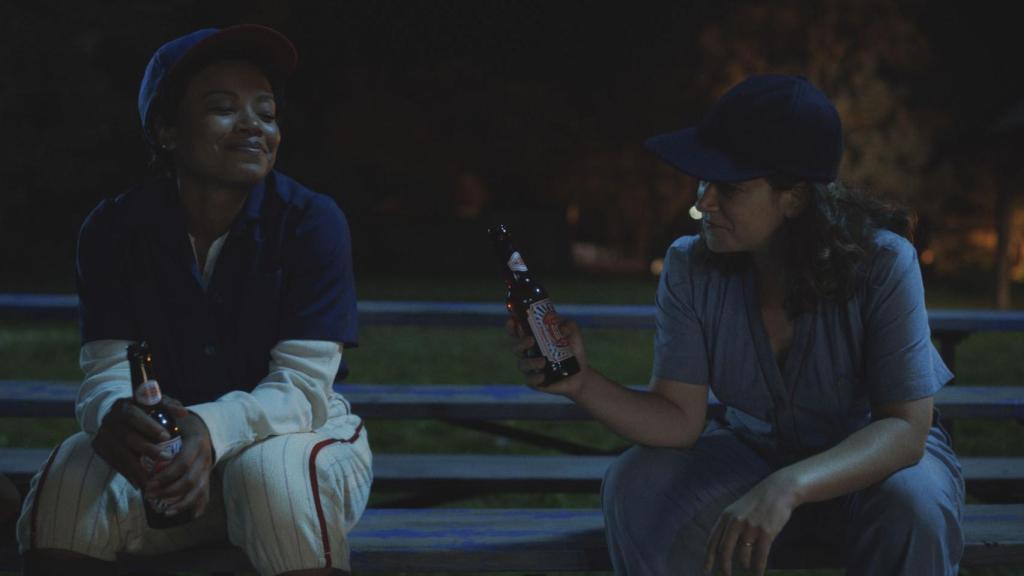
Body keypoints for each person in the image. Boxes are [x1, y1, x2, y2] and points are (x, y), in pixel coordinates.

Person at [508, 75, 963, 575]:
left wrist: (787, 486)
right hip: (752, 454)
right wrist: (582, 383)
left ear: (794, 198)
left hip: (872, 462)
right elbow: (678, 419)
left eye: (729, 187)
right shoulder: (690, 267)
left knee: (915, 504)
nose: (704, 202)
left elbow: (904, 429)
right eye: (703, 181)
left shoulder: (883, 263)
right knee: (636, 481)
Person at [17, 25, 371, 576]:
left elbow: (302, 389)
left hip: (295, 436)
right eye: (223, 108)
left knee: (270, 475)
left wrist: (207, 428)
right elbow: (108, 371)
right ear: (166, 130)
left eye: (267, 112)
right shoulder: (114, 229)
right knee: (68, 480)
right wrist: (116, 416)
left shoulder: (310, 221)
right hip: (169, 458)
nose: (254, 125)